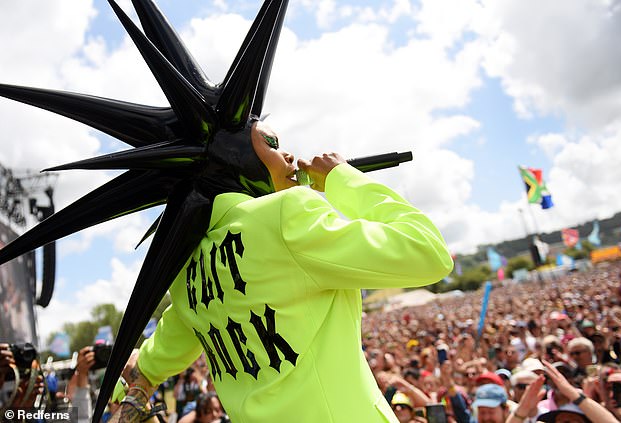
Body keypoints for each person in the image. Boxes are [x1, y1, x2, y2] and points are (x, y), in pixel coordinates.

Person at [111, 121, 454, 422]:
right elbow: (429, 252)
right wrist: (343, 179)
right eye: (272, 144)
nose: (289, 155)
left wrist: (137, 375)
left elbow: (162, 352)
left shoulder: (184, 269)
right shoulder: (287, 214)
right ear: (233, 160)